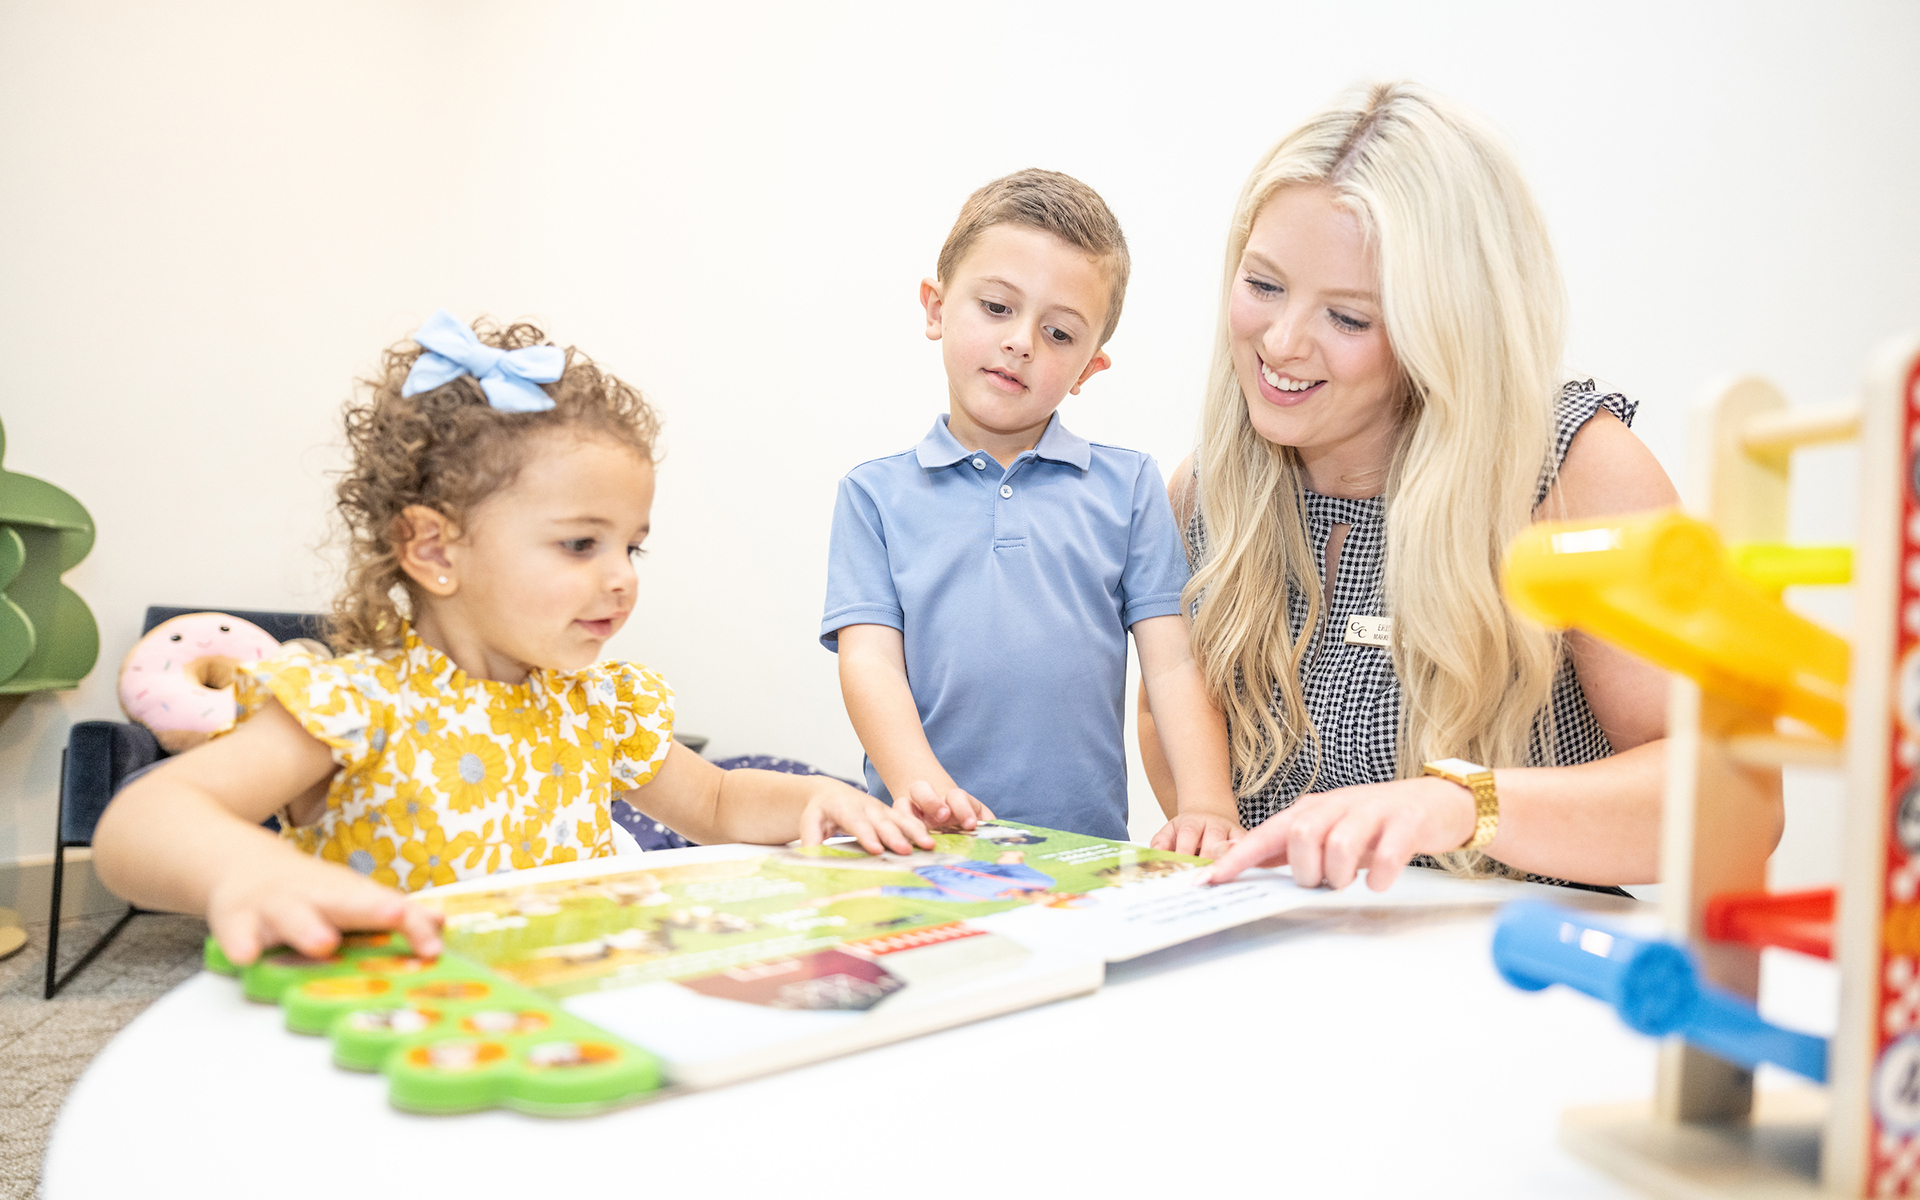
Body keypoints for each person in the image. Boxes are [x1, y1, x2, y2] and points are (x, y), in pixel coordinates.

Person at [92, 311, 938, 965]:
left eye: (632, 546)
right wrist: (253, 871)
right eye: (580, 544)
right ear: (435, 550)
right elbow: (141, 823)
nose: (622, 577)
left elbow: (715, 804)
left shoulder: (594, 706)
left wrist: (813, 798)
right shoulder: (356, 707)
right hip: (415, 1036)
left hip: (566, 1017)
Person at [1138, 83, 1771, 891]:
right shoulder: (1204, 492)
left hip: (1525, 955)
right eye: (1263, 285)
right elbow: (1169, 725)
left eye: (1349, 318)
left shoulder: (1575, 475)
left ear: (1446, 326)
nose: (1283, 342)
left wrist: (1462, 805)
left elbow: (1739, 806)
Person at [822, 169, 1237, 850]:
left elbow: (1173, 665)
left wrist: (1208, 804)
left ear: (1088, 369)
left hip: (1084, 857)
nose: (1021, 342)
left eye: (1060, 334)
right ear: (935, 308)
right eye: (996, 307)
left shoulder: (1129, 486)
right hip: (920, 848)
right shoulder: (872, 496)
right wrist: (927, 791)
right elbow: (870, 665)